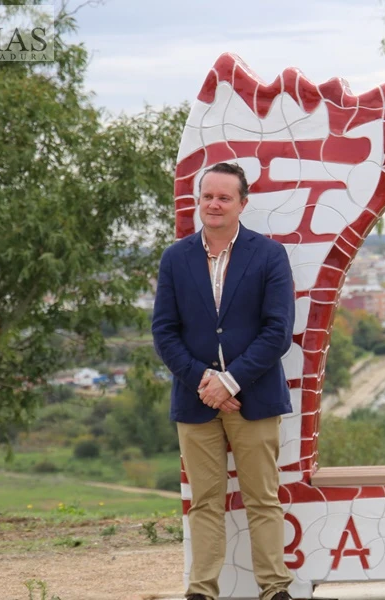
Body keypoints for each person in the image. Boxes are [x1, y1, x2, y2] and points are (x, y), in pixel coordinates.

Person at [152, 162, 297, 600]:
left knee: (263, 499)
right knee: (205, 502)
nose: (213, 205)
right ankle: (201, 591)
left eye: (223, 197)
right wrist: (206, 382)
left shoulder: (269, 255)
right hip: (196, 401)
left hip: (254, 398)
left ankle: (274, 588)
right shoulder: (175, 258)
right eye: (207, 196)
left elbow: (278, 332)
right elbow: (164, 331)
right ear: (198, 200)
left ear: (242, 204)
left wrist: (230, 382)